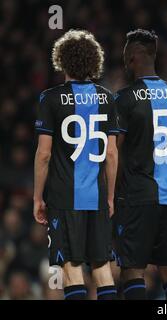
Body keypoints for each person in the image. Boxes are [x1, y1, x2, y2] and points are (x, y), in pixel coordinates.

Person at [33, 30, 119, 300]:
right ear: (94, 61)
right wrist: (110, 196)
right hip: (96, 196)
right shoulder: (107, 98)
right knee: (102, 269)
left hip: (64, 195)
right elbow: (112, 154)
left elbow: (44, 155)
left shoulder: (50, 98)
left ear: (61, 60)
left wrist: (37, 196)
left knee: (71, 268)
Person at [114, 29, 167, 300]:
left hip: (137, 197)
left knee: (132, 270)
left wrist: (111, 195)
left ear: (133, 56)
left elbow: (114, 153)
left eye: (125, 54)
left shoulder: (123, 99)